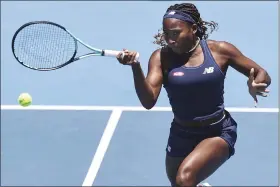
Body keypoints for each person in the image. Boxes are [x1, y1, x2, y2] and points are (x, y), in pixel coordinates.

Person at [116, 2, 271, 187]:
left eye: (176, 33)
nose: (170, 40)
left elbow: (262, 73)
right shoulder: (160, 58)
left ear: (194, 29)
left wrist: (255, 84)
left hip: (217, 131)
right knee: (178, 183)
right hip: (181, 133)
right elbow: (148, 101)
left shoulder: (220, 51)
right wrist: (135, 67)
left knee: (185, 180)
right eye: (167, 34)